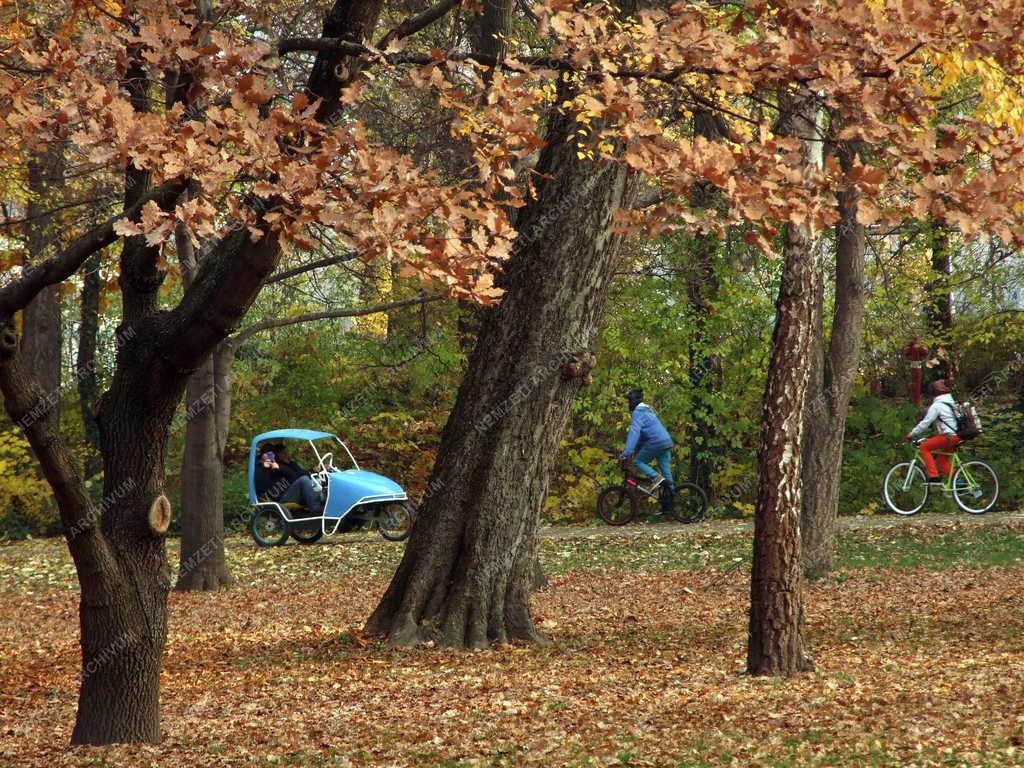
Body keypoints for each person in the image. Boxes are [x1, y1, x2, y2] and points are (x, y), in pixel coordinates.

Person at [620, 388, 674, 511]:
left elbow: (634, 434)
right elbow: (643, 435)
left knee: (637, 462)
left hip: (656, 443)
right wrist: (636, 449)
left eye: (629, 401)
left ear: (634, 401)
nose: (628, 404)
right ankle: (671, 503)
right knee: (667, 475)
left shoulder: (638, 413)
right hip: (666, 442)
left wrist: (626, 453)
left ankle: (656, 478)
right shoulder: (648, 411)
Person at [905, 379, 960, 485]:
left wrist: (911, 434)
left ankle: (934, 477)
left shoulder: (937, 405)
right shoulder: (951, 403)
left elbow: (925, 423)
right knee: (941, 461)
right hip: (957, 436)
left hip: (948, 436)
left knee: (924, 447)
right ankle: (959, 483)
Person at [254, 441, 325, 514]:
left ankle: (323, 505)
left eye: (272, 454)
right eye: (267, 454)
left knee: (315, 482)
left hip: (287, 492)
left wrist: (279, 467)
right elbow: (261, 485)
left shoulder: (277, 464)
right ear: (262, 455)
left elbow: (292, 474)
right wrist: (264, 468)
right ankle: (316, 510)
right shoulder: (258, 467)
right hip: (276, 498)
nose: (270, 456)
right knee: (304, 480)